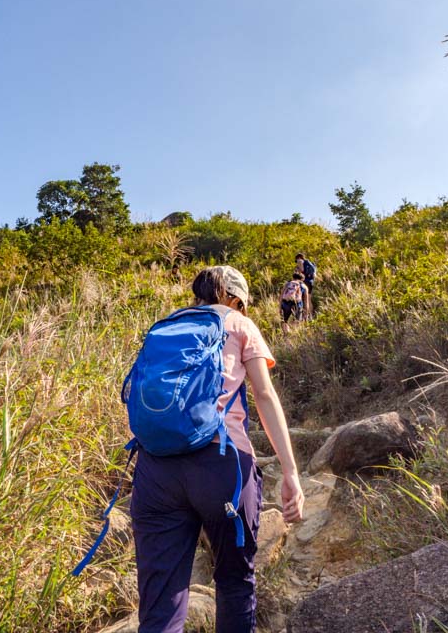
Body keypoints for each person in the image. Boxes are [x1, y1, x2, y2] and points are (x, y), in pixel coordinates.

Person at [130, 265, 305, 633]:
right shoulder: (239, 324)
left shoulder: (166, 327)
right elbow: (264, 395)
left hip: (156, 470)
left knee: (159, 605)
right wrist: (290, 472)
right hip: (221, 465)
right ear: (235, 299)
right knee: (234, 583)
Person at [294, 254, 316, 318]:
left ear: (299, 257)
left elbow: (302, 270)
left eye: (296, 260)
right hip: (310, 282)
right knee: (309, 299)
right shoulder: (310, 263)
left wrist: (297, 270)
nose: (296, 261)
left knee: (303, 299)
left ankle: (304, 316)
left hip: (304, 282)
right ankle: (310, 315)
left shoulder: (300, 261)